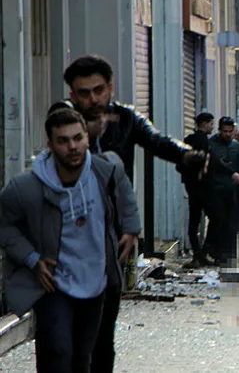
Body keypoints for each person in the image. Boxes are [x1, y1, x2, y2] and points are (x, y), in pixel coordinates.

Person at [47, 55, 206, 373]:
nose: (92, 99)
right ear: (71, 93)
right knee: (62, 334)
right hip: (66, 235)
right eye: (83, 93)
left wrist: (188, 155)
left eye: (98, 90)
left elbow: (158, 141)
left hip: (110, 235)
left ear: (110, 88)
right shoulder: (62, 118)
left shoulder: (126, 118)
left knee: (104, 331)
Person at [0, 109, 140, 372]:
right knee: (58, 352)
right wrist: (31, 259)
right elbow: (4, 224)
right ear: (50, 145)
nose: (73, 147)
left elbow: (126, 197)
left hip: (95, 281)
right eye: (63, 141)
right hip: (54, 284)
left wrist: (131, 230)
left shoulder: (105, 172)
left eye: (78, 138)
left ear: (87, 137)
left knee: (82, 359)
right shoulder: (27, 187)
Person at [207, 117, 239, 266]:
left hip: (233, 189)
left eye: (231, 131)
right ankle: (218, 252)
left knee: (232, 223)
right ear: (219, 130)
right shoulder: (211, 144)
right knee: (218, 222)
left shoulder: (237, 146)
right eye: (225, 131)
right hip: (216, 189)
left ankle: (230, 253)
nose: (228, 134)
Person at [181, 113, 216, 267]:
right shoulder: (202, 141)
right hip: (202, 187)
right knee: (216, 218)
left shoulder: (189, 140)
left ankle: (199, 254)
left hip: (192, 186)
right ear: (204, 124)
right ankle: (201, 253)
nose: (212, 127)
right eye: (211, 124)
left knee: (194, 221)